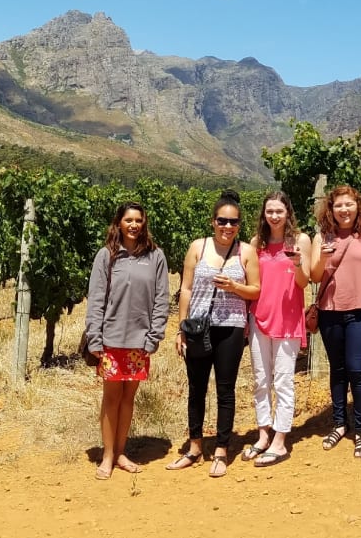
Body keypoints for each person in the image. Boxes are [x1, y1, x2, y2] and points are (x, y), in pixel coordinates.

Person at [168, 190, 261, 477]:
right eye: (223, 221)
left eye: (234, 222)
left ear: (239, 226)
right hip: (197, 326)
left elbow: (256, 290)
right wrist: (181, 328)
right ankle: (194, 448)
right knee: (196, 389)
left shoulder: (246, 252)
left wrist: (234, 288)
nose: (228, 227)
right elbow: (185, 289)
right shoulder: (198, 247)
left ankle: (221, 449)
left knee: (225, 390)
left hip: (231, 327)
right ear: (213, 222)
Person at [82, 201, 170, 480]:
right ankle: (107, 456)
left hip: (139, 341)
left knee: (128, 399)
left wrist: (154, 335)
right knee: (111, 398)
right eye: (128, 220)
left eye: (138, 220)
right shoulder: (106, 256)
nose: (134, 225)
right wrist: (94, 337)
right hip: (110, 339)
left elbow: (161, 299)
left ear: (144, 223)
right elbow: (96, 299)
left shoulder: (155, 257)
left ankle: (121, 452)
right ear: (118, 223)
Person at [311, 184, 361, 458]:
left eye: (349, 204)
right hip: (330, 311)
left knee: (357, 369)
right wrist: (321, 258)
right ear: (331, 210)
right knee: (338, 369)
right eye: (338, 205)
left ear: (358, 207)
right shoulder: (322, 237)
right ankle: (340, 423)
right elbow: (315, 275)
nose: (344, 209)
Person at [243, 191, 310, 467]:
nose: (274, 216)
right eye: (269, 211)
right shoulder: (256, 243)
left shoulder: (300, 241)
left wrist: (297, 265)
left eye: (279, 211)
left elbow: (304, 283)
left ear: (288, 213)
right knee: (261, 379)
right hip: (259, 318)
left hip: (289, 320)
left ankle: (280, 440)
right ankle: (263, 434)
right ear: (264, 213)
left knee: (283, 381)